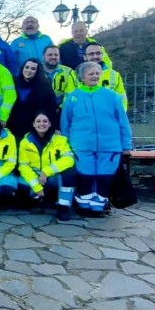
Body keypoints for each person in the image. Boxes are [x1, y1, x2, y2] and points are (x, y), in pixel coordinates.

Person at [61, 61, 132, 217]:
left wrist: (126, 144)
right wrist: (65, 144)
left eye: (97, 73)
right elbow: (65, 122)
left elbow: (123, 121)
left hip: (109, 146)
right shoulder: (73, 97)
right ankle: (84, 206)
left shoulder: (111, 96)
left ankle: (98, 208)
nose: (94, 76)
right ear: (82, 77)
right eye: (90, 73)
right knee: (85, 176)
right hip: (81, 146)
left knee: (103, 177)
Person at [17, 112, 77, 221]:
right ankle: (37, 200)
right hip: (34, 176)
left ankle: (63, 207)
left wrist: (46, 171)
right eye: (38, 121)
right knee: (22, 186)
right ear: (33, 124)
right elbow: (23, 166)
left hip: (52, 176)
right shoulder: (25, 142)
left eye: (45, 121)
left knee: (69, 173)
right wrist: (36, 185)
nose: (42, 124)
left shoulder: (60, 140)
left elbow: (69, 159)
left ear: (50, 124)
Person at [7, 59, 58, 140]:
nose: (28, 70)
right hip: (13, 129)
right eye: (26, 67)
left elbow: (51, 109)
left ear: (38, 72)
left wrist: (55, 127)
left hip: (34, 130)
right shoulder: (13, 82)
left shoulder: (44, 87)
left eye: (33, 69)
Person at [80, 43, 127, 111]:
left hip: (108, 117)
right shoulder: (75, 75)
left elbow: (122, 100)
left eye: (98, 53)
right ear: (85, 57)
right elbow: (70, 100)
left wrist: (119, 116)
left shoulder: (114, 75)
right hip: (84, 118)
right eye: (91, 54)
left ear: (102, 55)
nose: (95, 56)